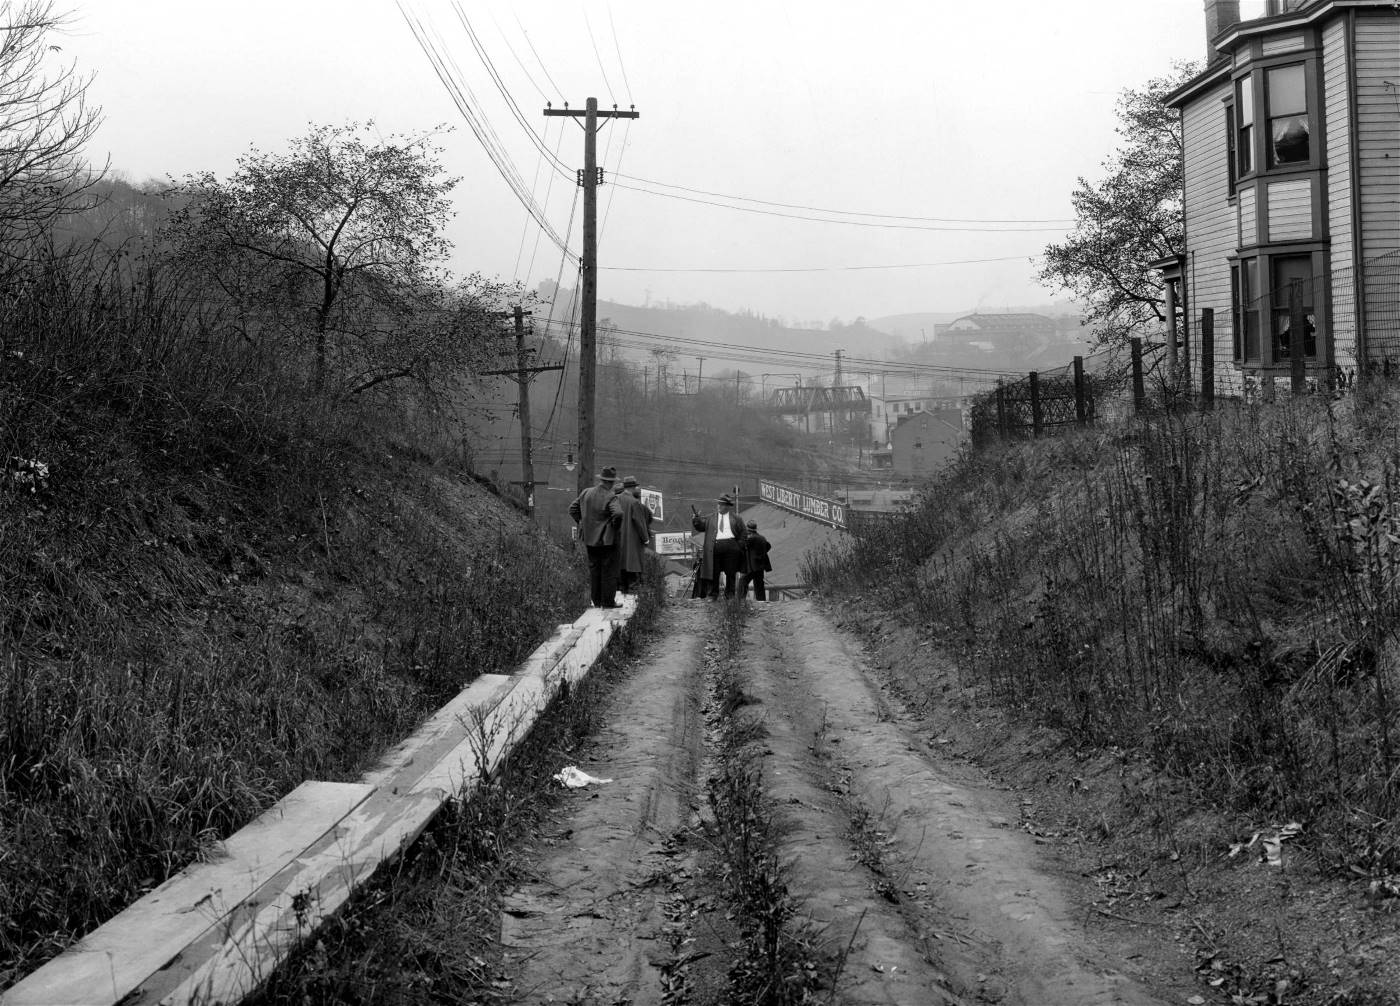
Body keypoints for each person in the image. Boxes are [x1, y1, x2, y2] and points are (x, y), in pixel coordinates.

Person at [569, 464, 623, 607]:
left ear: (601, 479)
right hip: (607, 541)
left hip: (589, 539)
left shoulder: (586, 493)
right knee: (608, 571)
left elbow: (572, 509)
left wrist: (582, 522)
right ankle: (608, 602)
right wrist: (613, 527)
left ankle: (596, 601)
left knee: (594, 570)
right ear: (611, 482)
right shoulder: (611, 496)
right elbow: (618, 514)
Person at [691, 492, 748, 599]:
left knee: (731, 573)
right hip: (715, 547)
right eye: (718, 504)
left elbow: (744, 533)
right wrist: (696, 520)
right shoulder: (711, 518)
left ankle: (730, 595)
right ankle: (713, 594)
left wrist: (738, 545)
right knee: (714, 572)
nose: (719, 506)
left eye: (721, 504)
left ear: (727, 506)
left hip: (731, 548)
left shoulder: (736, 518)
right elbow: (701, 527)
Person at [615, 475, 654, 594]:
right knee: (633, 578)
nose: (638, 489)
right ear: (633, 487)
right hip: (631, 543)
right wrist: (646, 539)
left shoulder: (615, 499)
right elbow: (640, 523)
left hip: (616, 542)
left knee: (620, 579)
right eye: (637, 487)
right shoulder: (634, 502)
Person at [740, 519, 773, 600]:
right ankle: (761, 601)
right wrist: (760, 554)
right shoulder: (762, 538)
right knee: (759, 585)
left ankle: (740, 600)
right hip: (761, 566)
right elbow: (768, 546)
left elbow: (742, 546)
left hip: (753, 566)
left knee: (742, 581)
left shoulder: (752, 539)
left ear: (748, 529)